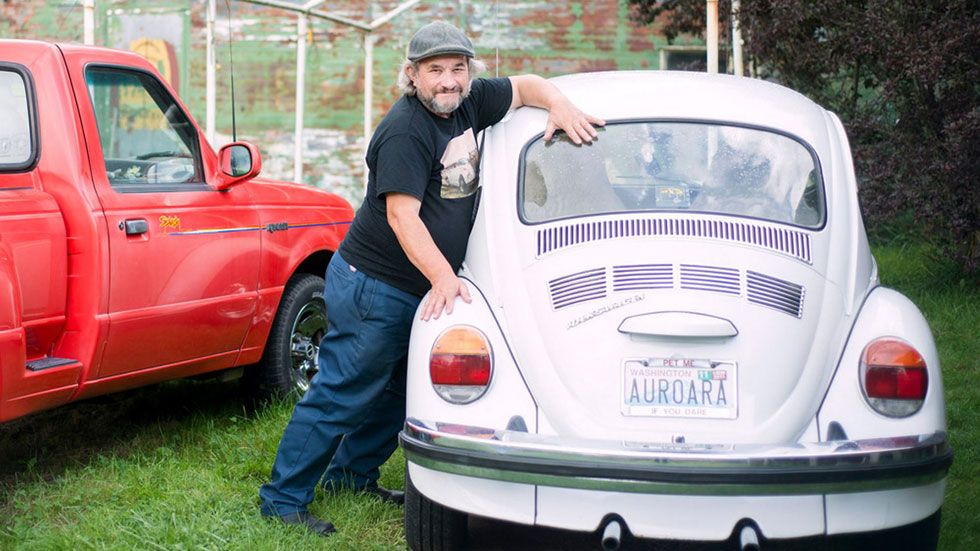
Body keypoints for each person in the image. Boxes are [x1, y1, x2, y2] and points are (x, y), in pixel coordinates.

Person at [258, 20, 604, 537]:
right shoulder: (405, 129)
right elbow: (403, 217)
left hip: (411, 286)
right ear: (413, 75)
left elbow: (527, 85)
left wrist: (558, 103)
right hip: (374, 285)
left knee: (399, 391)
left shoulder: (469, 102)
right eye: (435, 70)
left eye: (457, 69)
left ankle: (352, 476)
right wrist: (445, 278)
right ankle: (282, 500)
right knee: (342, 392)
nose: (448, 80)